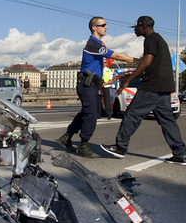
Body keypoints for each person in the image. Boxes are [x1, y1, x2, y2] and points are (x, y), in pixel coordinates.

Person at [101, 16, 186, 165]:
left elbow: (147, 62)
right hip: (164, 87)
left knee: (131, 115)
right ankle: (180, 154)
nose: (135, 30)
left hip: (152, 87)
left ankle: (120, 147)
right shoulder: (159, 40)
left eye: (135, 28)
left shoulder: (150, 39)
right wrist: (129, 75)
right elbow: (151, 66)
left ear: (143, 27)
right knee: (167, 121)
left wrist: (128, 81)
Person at [56, 17, 138, 158]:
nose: (106, 27)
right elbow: (117, 55)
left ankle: (66, 137)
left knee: (86, 113)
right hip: (86, 85)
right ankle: (83, 145)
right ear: (94, 27)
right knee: (91, 115)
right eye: (103, 25)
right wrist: (140, 61)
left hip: (92, 85)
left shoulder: (98, 43)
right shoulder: (93, 44)